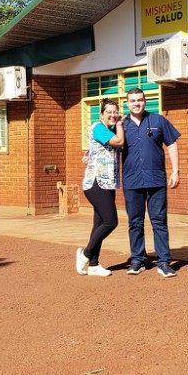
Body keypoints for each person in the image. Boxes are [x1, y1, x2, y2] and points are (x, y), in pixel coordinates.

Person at [120, 87, 181, 277]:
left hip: (156, 180)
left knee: (159, 222)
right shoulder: (121, 125)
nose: (136, 103)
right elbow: (105, 141)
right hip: (132, 180)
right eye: (132, 100)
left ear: (145, 101)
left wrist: (175, 171)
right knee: (135, 223)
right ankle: (138, 260)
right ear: (127, 103)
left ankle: (164, 262)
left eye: (140, 100)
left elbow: (172, 145)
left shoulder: (158, 120)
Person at [76, 97, 125, 277]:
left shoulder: (108, 130)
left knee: (99, 223)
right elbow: (119, 142)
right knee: (111, 222)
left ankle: (94, 265)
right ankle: (86, 255)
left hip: (107, 183)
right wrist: (120, 123)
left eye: (115, 112)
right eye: (109, 112)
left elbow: (93, 151)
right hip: (96, 183)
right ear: (102, 114)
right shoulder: (98, 127)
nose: (113, 115)